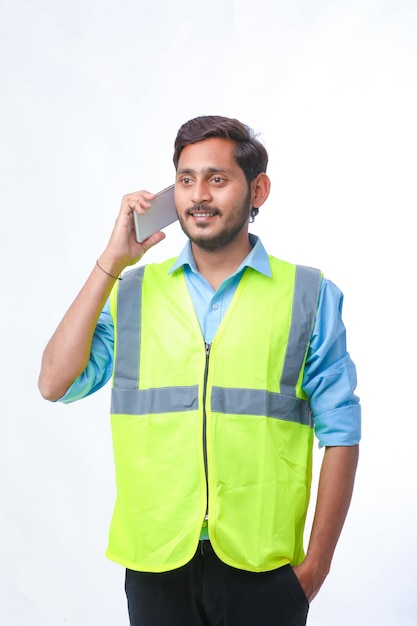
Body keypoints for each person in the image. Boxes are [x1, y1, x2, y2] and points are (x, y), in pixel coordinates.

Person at [39, 115, 361, 626]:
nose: (198, 196)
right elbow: (54, 383)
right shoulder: (131, 293)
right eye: (185, 180)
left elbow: (341, 433)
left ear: (258, 190)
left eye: (217, 178)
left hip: (264, 565)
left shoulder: (309, 295)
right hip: (156, 563)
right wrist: (110, 262)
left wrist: (315, 567)